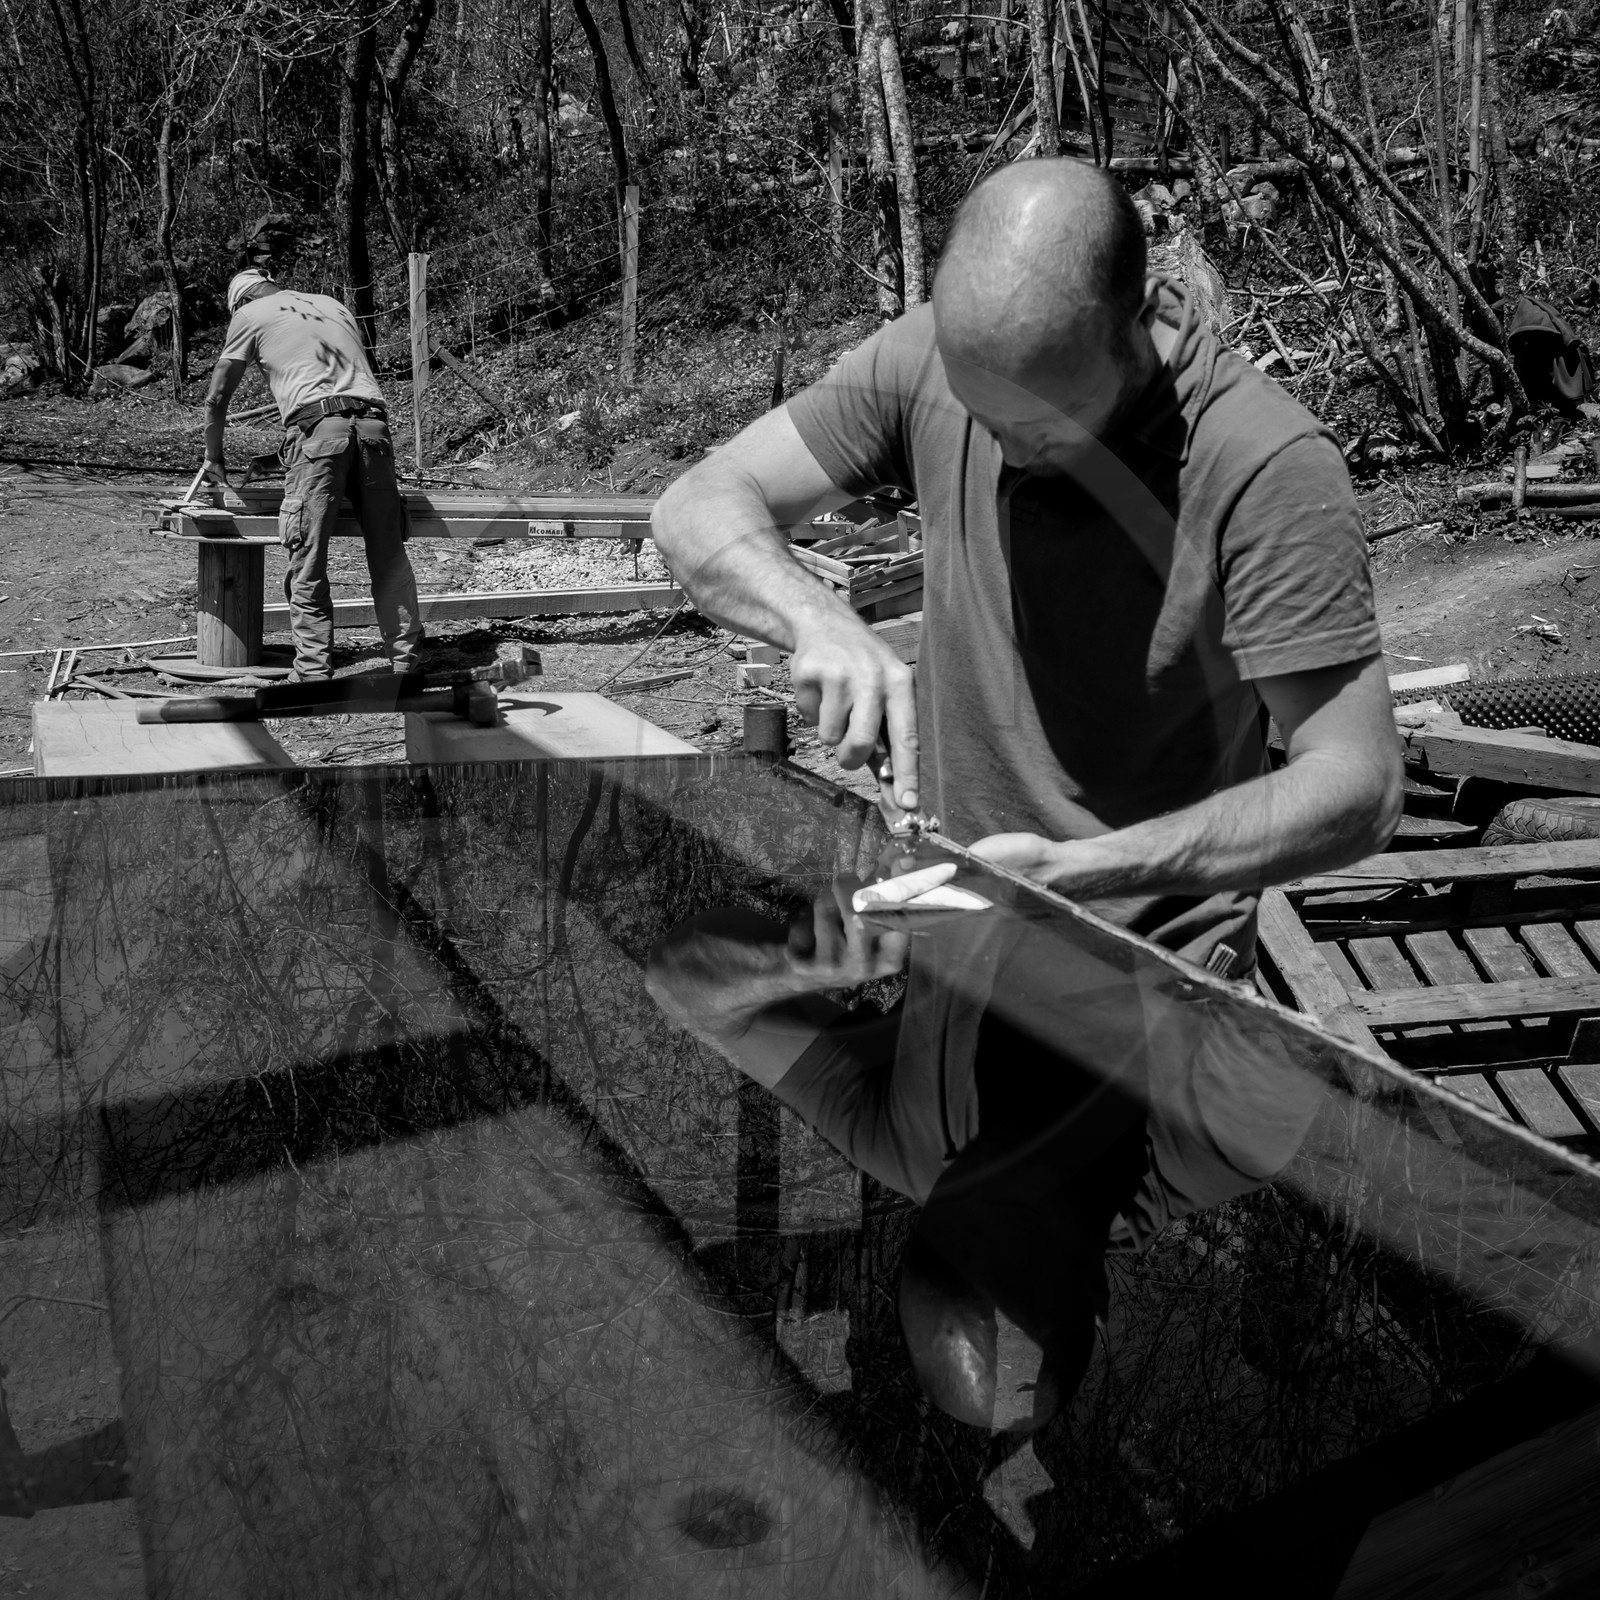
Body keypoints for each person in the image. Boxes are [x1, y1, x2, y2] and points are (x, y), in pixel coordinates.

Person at [652, 159, 1401, 969]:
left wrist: (1083, 870)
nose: (1009, 451)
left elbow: (1360, 786)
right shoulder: (929, 359)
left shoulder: (1262, 463)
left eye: (1051, 422)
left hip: (1147, 982)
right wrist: (816, 619)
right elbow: (694, 505)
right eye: (985, 416)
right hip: (951, 941)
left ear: (1137, 323)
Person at [202, 268, 425, 682]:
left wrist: (214, 459)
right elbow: (340, 403)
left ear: (240, 301)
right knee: (388, 553)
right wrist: (278, 459)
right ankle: (406, 663)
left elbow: (217, 397)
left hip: (319, 435)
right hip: (374, 430)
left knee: (307, 557)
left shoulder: (250, 315)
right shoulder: (332, 305)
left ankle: (313, 671)